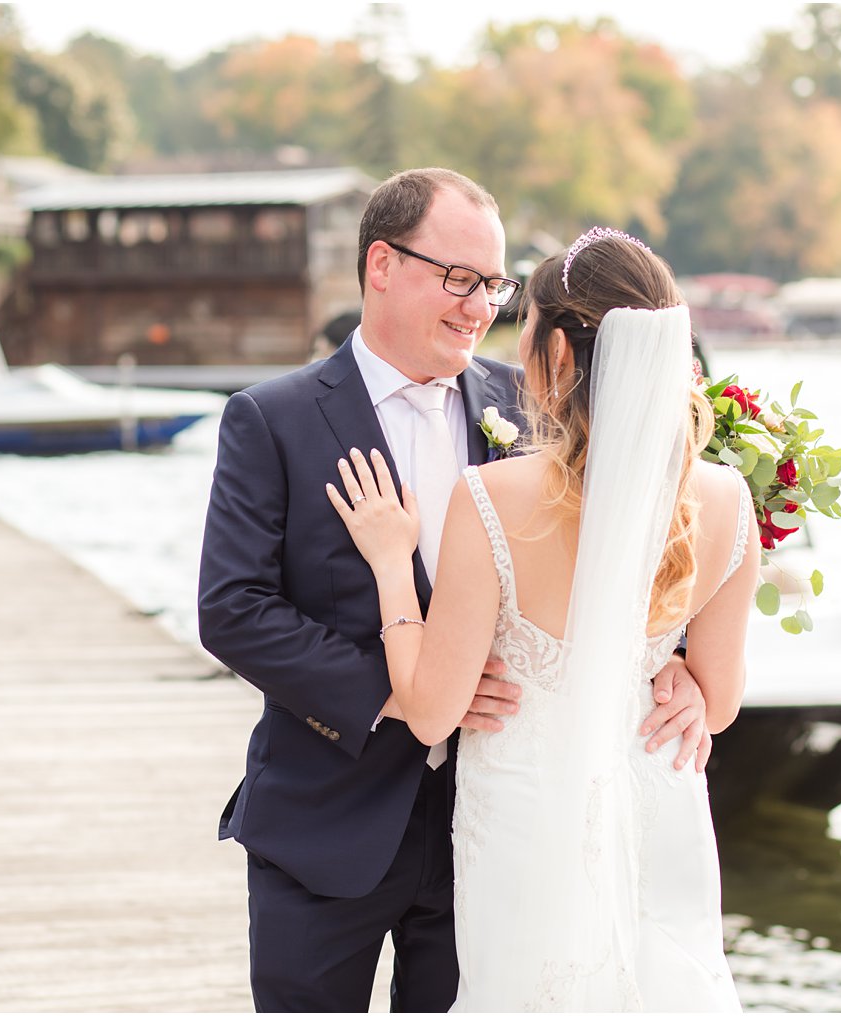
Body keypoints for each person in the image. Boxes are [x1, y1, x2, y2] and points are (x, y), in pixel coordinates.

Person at [198, 171, 717, 1012]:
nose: (482, 307)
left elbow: (635, 539)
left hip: (494, 827)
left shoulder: (528, 401)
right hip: (329, 820)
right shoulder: (272, 418)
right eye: (459, 279)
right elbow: (234, 610)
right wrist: (405, 695)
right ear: (380, 265)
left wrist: (681, 662)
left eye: (496, 285)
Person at [326, 228, 760, 1010]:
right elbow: (718, 703)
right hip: (657, 796)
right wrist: (677, 678)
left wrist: (393, 563)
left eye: (520, 323)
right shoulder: (728, 499)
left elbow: (429, 713)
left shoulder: (495, 497)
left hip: (527, 813)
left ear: (559, 353)